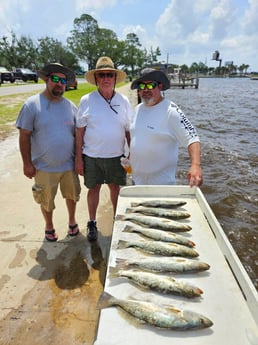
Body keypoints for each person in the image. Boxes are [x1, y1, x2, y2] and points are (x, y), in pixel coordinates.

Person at [16, 63, 81, 242]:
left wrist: (79, 160)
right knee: (46, 200)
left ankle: (72, 221)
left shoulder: (71, 106)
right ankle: (49, 226)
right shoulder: (31, 105)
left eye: (63, 81)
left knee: (72, 196)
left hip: (69, 166)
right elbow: (24, 136)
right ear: (46, 79)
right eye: (55, 79)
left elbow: (77, 136)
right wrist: (27, 163)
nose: (59, 83)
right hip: (44, 167)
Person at [75, 56, 132, 241]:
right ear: (96, 79)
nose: (106, 78)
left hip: (117, 156)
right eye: (102, 75)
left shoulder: (123, 101)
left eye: (109, 74)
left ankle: (118, 220)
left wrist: (133, 154)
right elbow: (79, 132)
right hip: (91, 156)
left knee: (115, 188)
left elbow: (128, 131)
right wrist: (78, 158)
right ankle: (92, 222)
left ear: (115, 78)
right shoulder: (86, 100)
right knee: (94, 189)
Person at [130, 68, 203, 187]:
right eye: (142, 86)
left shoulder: (171, 111)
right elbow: (135, 137)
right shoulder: (138, 109)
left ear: (160, 86)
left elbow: (192, 139)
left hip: (161, 185)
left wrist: (196, 165)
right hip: (137, 182)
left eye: (151, 85)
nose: (146, 89)